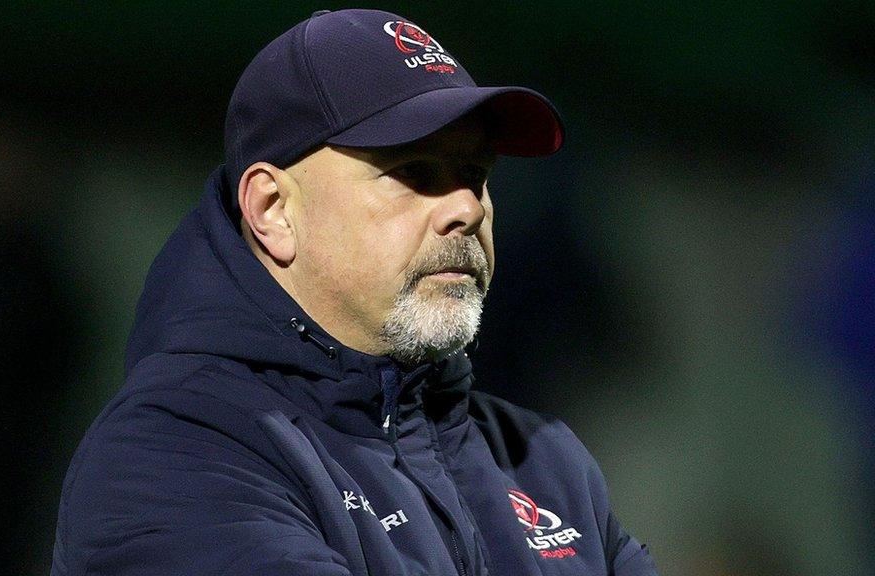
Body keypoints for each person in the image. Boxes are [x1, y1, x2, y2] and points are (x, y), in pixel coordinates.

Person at [50, 9, 658, 576]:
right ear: (272, 210)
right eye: (412, 173)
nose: (467, 209)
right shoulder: (170, 454)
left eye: (475, 175)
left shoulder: (545, 462)